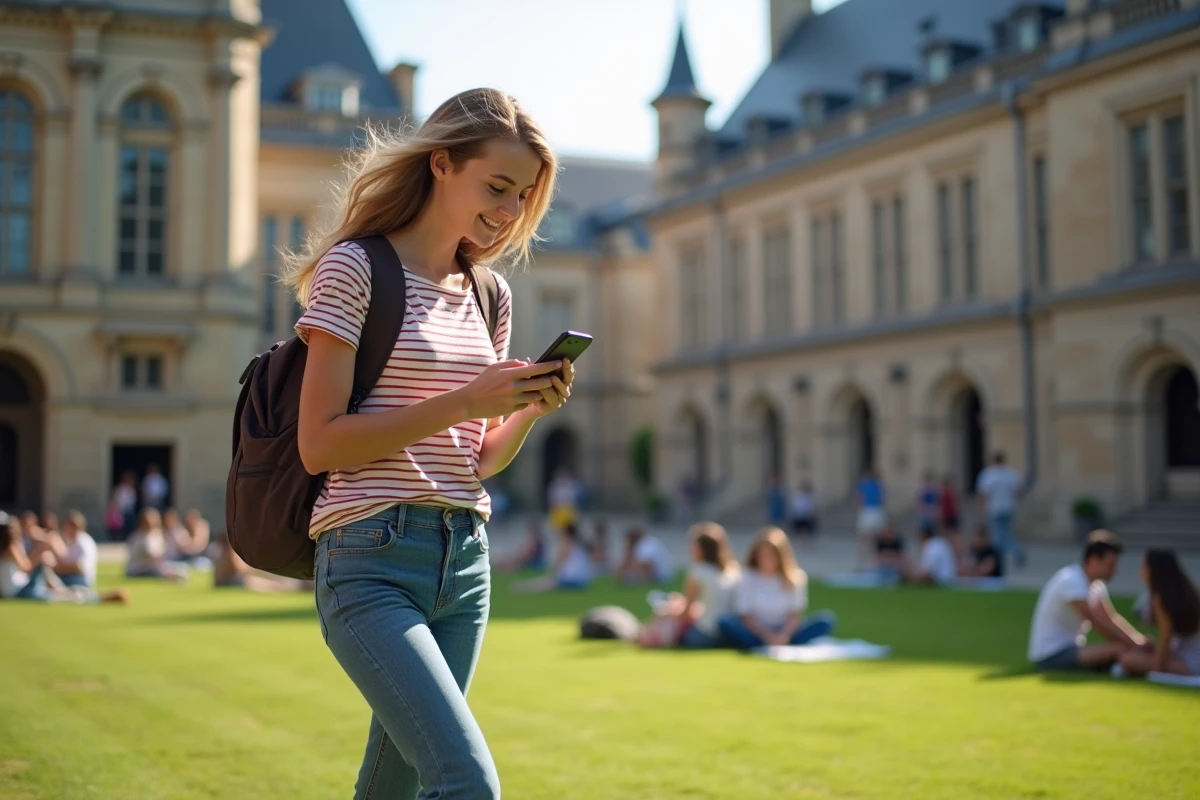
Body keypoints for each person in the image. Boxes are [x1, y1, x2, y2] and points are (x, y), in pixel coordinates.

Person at [285, 87, 570, 798]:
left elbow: (476, 458)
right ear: (441, 164)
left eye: (522, 196)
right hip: (369, 557)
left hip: (465, 561)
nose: (509, 212)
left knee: (395, 786)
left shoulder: (489, 294)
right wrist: (466, 401)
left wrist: (525, 412)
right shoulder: (355, 268)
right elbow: (320, 444)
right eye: (496, 187)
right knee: (466, 781)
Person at [1027, 530, 1150, 672]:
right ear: (1093, 560)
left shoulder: (1096, 585)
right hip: (1051, 655)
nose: (1114, 571)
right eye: (1110, 564)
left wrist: (1138, 640)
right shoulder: (1072, 580)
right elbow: (1097, 622)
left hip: (1073, 648)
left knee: (1123, 649)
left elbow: (1110, 618)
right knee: (1120, 649)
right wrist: (1134, 645)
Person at [718, 526, 836, 649]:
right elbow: (745, 615)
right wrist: (767, 636)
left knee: (825, 620)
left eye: (771, 555)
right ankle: (768, 644)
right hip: (756, 632)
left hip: (785, 631)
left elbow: (795, 615)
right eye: (763, 555)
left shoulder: (794, 578)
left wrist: (784, 635)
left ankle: (780, 643)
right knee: (726, 622)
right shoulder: (747, 577)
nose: (766, 559)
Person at [0, 511, 127, 604]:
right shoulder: (11, 547)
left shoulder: (8, 547)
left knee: (60, 592)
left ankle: (64, 589)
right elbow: (26, 567)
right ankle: (92, 596)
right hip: (18, 590)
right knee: (60, 594)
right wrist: (40, 551)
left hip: (15, 588)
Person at [1118, 549, 1200, 678]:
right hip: (1187, 655)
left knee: (1128, 659)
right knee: (1138, 653)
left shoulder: (1161, 598)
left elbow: (1166, 637)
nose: (1141, 570)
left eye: (1144, 566)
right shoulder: (1185, 590)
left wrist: (1156, 671)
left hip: (1191, 665)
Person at [677, 522, 741, 648]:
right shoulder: (733, 570)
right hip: (732, 633)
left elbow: (685, 611)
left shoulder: (698, 571)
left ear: (701, 549)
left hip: (706, 634)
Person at [976, 450, 1026, 569]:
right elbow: (1019, 490)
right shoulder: (1010, 473)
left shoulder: (989, 474)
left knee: (999, 537)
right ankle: (1015, 551)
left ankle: (1007, 556)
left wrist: (980, 510)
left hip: (995, 509)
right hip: (1009, 508)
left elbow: (983, 494)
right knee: (1006, 534)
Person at [510, 522, 592, 594]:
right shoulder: (579, 543)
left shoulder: (567, 543)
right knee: (546, 582)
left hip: (570, 579)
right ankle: (523, 586)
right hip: (582, 581)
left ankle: (523, 587)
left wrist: (552, 572)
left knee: (546, 584)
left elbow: (560, 560)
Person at [125, 508, 187, 581]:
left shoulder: (154, 534)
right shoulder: (139, 536)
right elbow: (154, 556)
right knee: (162, 570)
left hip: (149, 566)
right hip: (136, 569)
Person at [53, 510, 98, 589]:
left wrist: (58, 569)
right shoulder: (73, 542)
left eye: (66, 527)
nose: (64, 530)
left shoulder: (83, 542)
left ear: (73, 527)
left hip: (79, 579)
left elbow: (80, 567)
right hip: (73, 577)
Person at [855, 466, 886, 568]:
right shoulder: (867, 484)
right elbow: (860, 497)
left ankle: (871, 558)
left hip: (872, 510)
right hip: (871, 510)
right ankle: (864, 558)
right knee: (866, 536)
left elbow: (860, 498)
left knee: (871, 536)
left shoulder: (876, 484)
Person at [546, 466, 582, 534]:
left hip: (569, 509)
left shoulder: (572, 485)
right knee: (557, 529)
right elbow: (552, 500)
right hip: (558, 509)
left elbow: (575, 499)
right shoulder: (554, 486)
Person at [914, 471, 940, 536]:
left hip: (932, 515)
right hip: (924, 514)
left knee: (932, 532)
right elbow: (918, 501)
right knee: (924, 532)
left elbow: (937, 503)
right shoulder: (922, 490)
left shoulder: (934, 490)